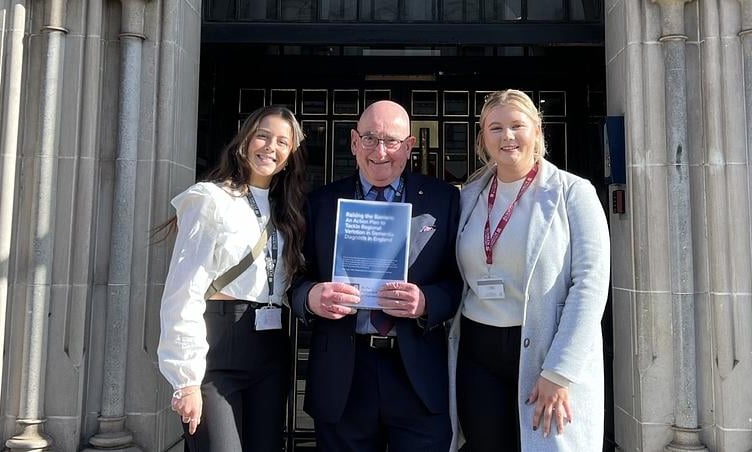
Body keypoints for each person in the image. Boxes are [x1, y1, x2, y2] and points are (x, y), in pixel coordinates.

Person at [290, 100, 462, 452]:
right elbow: (292, 279)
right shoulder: (320, 203)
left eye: (392, 141)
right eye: (369, 138)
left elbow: (458, 280)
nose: (380, 152)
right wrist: (310, 297)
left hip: (417, 375)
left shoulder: (443, 200)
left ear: (410, 145)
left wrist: (427, 301)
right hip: (343, 376)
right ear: (354, 142)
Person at [448, 89, 610, 451]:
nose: (507, 136)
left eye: (517, 125)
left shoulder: (573, 193)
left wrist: (559, 371)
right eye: (496, 128)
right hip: (478, 350)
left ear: (537, 131)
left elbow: (590, 284)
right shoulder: (468, 196)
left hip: (543, 350)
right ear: (482, 137)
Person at [157, 105, 306, 451]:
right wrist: (186, 380)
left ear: (290, 155)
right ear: (245, 141)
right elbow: (183, 291)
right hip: (219, 348)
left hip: (270, 348)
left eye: (283, 142)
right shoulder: (210, 199)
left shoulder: (289, 210)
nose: (271, 147)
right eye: (263, 136)